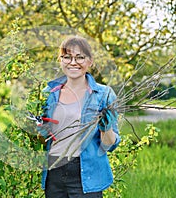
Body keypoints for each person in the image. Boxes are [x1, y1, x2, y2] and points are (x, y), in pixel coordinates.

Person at [38, 35, 121, 198]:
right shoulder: (48, 94)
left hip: (86, 175)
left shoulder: (104, 95)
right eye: (67, 57)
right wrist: (40, 133)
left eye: (80, 57)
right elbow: (44, 141)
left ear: (89, 61)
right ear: (60, 60)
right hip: (54, 172)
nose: (73, 62)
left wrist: (107, 127)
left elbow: (109, 145)